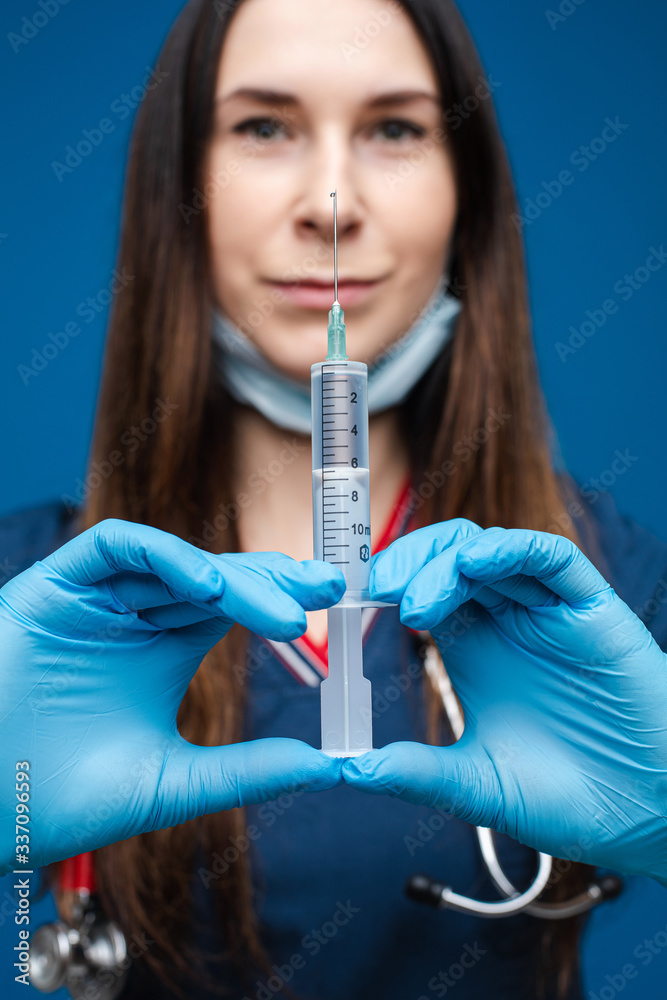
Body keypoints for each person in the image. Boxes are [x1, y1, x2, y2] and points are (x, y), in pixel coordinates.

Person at [1, 1, 666, 998]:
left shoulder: (596, 584)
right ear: (177, 186)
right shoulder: (40, 605)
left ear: (467, 190)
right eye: (263, 126)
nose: (329, 201)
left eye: (394, 128)